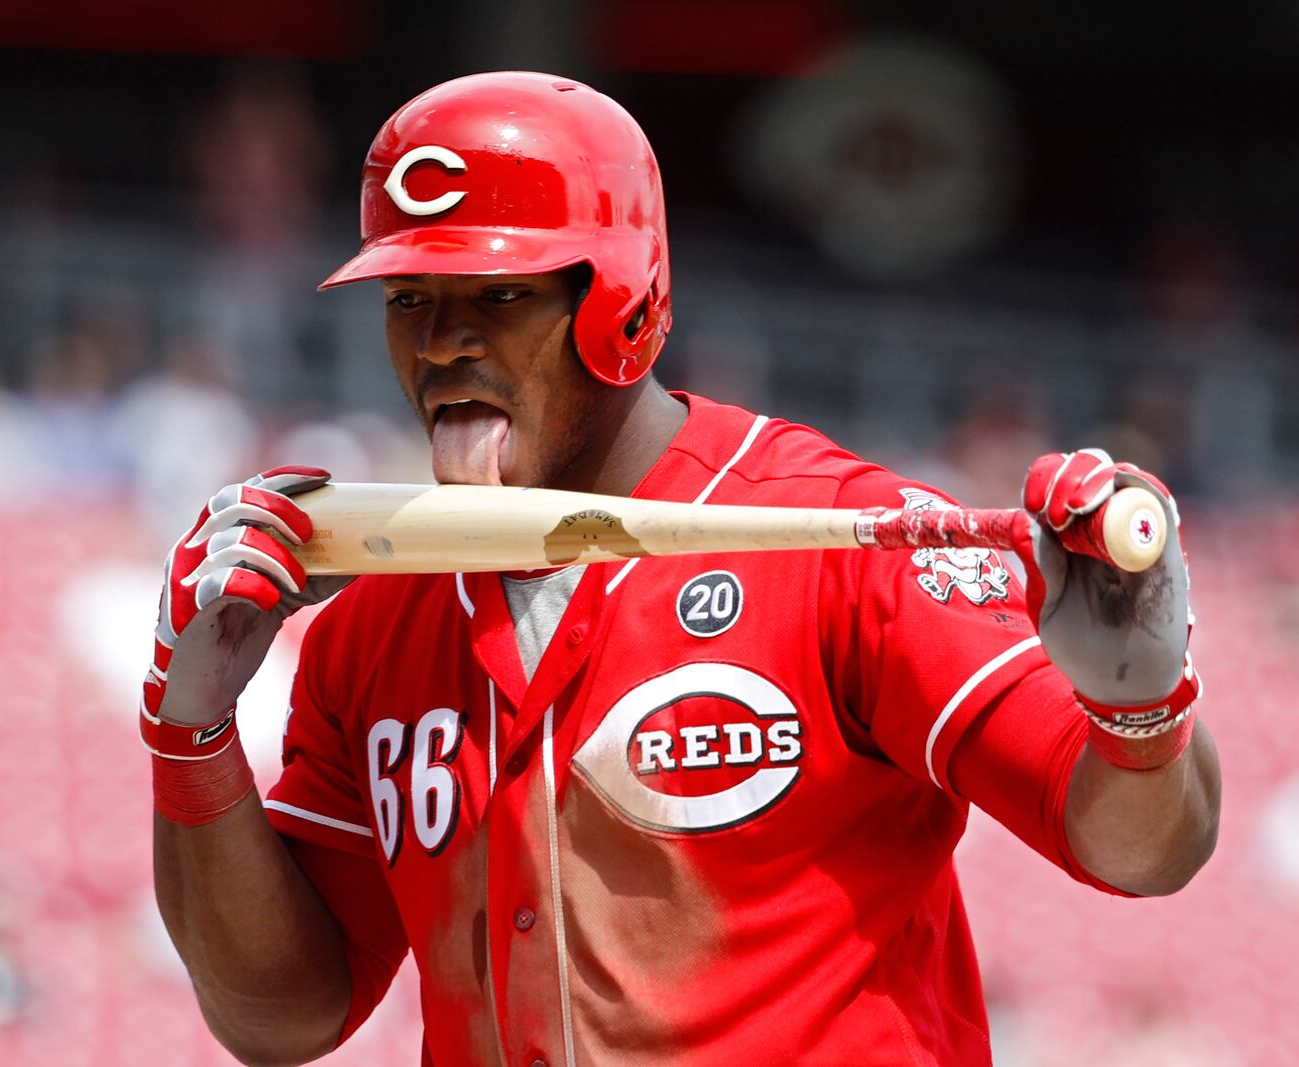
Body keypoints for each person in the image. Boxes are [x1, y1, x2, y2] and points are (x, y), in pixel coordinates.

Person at [142, 73, 1220, 1066]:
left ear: (620, 301)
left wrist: (1138, 714)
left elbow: (1139, 852)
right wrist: (191, 733)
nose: (440, 344)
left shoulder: (838, 535)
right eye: (411, 300)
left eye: (498, 295)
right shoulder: (367, 625)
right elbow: (279, 1016)